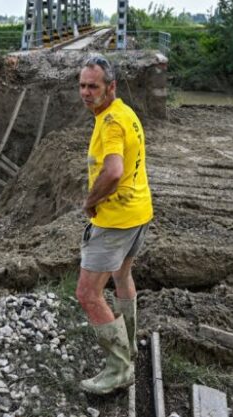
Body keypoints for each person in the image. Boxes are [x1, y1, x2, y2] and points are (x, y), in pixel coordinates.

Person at [75, 53, 153, 395]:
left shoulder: (110, 123)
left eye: (94, 86)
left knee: (88, 294)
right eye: (82, 85)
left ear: (111, 87)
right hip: (138, 213)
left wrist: (90, 201)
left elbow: (114, 171)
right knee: (122, 276)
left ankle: (119, 369)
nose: (86, 92)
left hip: (115, 220)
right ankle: (130, 347)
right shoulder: (124, 112)